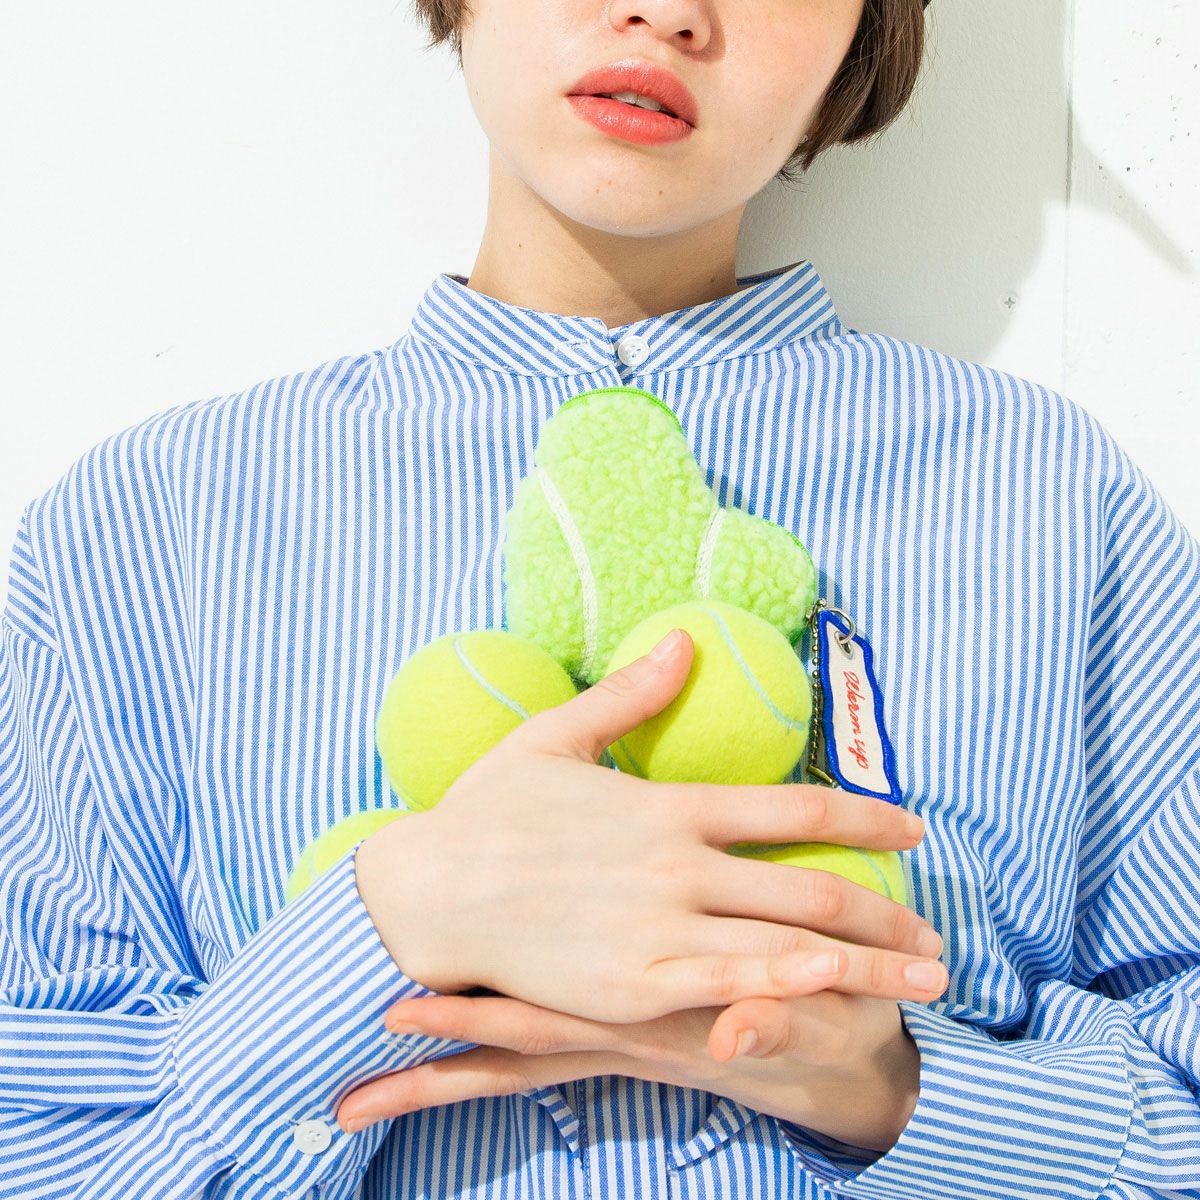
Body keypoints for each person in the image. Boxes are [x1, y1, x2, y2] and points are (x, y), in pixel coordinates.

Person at [2, 0, 1197, 1196]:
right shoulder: (140, 532)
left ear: (864, 38)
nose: (667, 12)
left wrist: (894, 1094)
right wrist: (381, 934)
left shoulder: (1049, 497)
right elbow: (40, 1146)